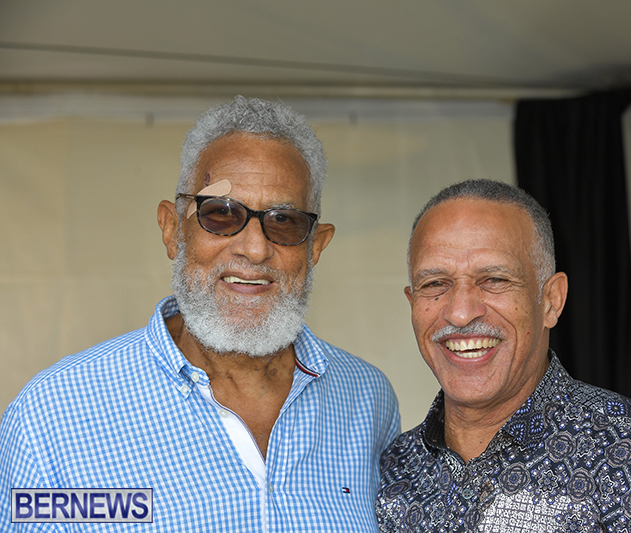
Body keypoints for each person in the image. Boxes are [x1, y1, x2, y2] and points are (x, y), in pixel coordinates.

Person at [0, 96, 400, 531]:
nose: (254, 248)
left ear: (315, 246)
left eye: (284, 221)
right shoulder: (54, 416)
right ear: (173, 230)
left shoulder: (367, 401)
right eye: (221, 215)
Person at [376, 179, 631, 533]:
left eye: (494, 279)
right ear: (412, 303)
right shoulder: (389, 470)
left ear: (551, 301)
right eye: (435, 283)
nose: (461, 313)